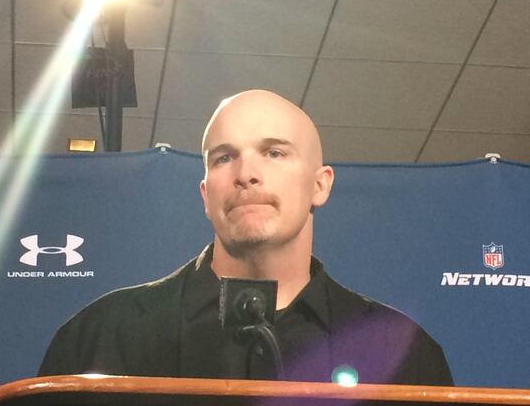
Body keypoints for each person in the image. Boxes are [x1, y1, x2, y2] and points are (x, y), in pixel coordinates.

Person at [39, 90, 453, 385]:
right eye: (224, 157)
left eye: (274, 152)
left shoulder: (405, 354)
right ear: (206, 194)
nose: (245, 173)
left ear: (320, 185)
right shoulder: (101, 336)